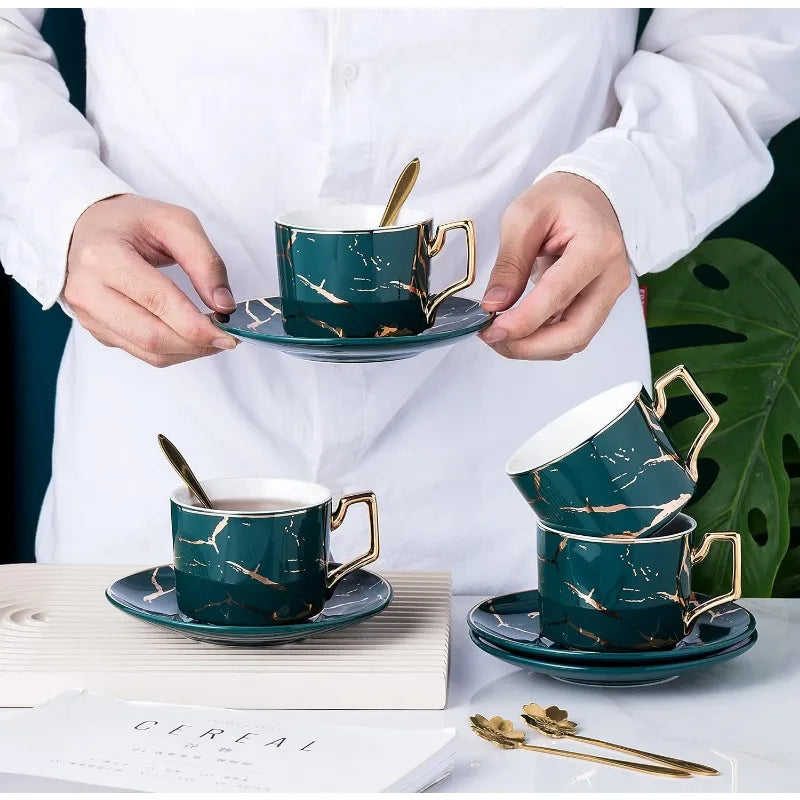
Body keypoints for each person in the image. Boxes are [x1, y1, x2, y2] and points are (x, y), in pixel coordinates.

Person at [1, 9, 798, 593]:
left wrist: (630, 185)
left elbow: (751, 28)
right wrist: (58, 209)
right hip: (163, 449)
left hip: (526, 477)